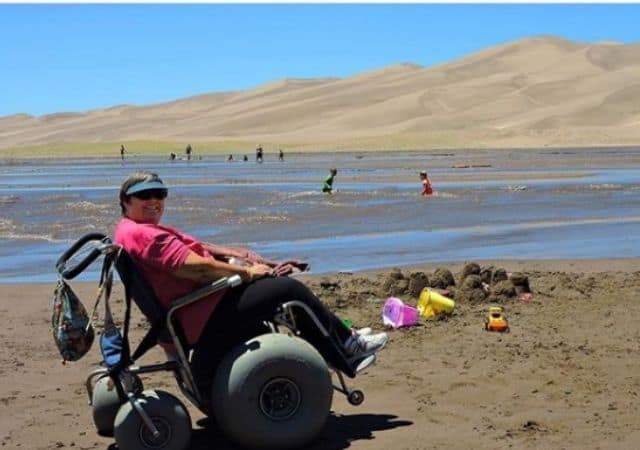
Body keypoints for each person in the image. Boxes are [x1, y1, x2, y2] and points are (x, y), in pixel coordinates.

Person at [114, 171, 388, 387]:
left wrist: (246, 257)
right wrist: (247, 272)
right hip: (198, 311)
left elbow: (197, 247)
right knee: (287, 289)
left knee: (272, 282)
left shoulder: (130, 230)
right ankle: (346, 348)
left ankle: (339, 340)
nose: (154, 201)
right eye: (145, 196)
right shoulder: (145, 235)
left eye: (159, 194)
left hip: (195, 307)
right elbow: (195, 268)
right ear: (126, 201)